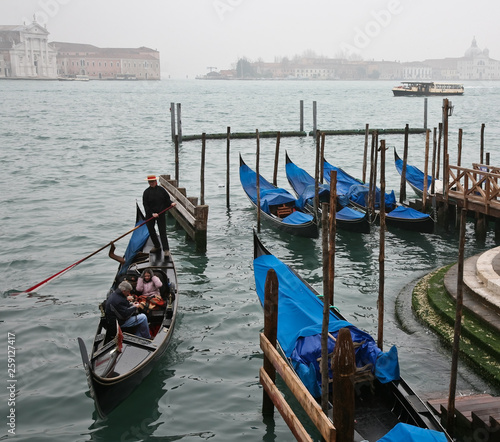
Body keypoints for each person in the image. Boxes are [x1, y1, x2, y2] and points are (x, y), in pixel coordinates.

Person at [143, 174, 176, 259]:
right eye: (150, 182)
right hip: (150, 214)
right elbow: (145, 205)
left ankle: (166, 250)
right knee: (151, 231)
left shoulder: (162, 190)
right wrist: (152, 214)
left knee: (162, 232)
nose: (151, 183)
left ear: (156, 181)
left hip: (161, 213)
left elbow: (167, 199)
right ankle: (157, 246)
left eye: (153, 181)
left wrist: (171, 203)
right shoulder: (146, 192)